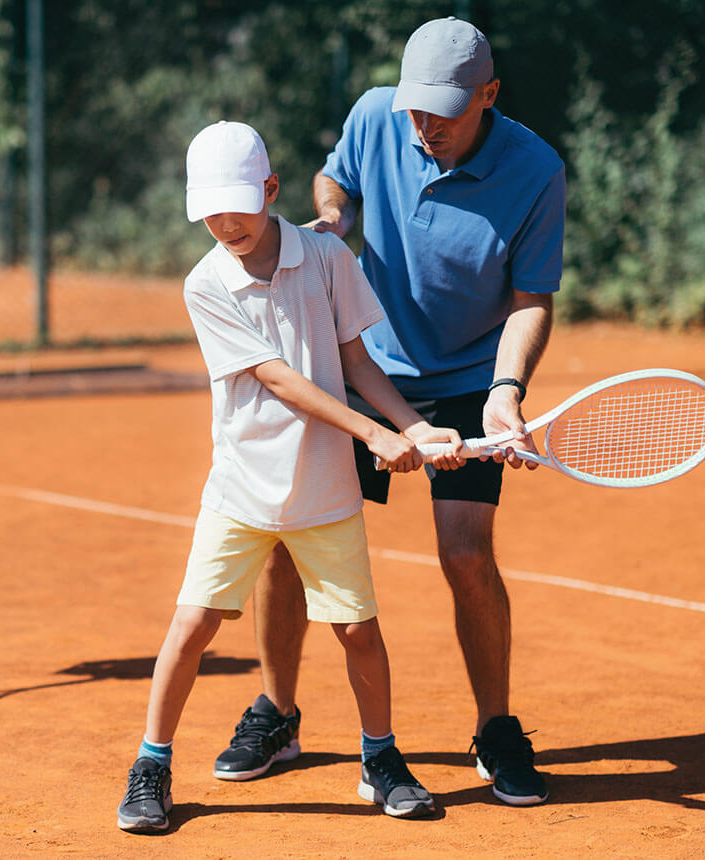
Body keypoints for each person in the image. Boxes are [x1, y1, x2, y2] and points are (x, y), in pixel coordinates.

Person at [213, 18, 565, 807]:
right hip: (362, 363)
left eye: (442, 109)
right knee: (286, 536)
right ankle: (278, 709)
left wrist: (507, 390)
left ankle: (496, 727)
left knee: (466, 554)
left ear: (490, 95)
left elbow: (531, 299)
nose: (422, 124)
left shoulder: (536, 169)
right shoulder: (378, 113)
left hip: (473, 374)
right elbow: (335, 181)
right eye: (414, 107)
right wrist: (334, 221)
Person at [116, 120, 464, 832]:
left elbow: (358, 363)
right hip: (241, 486)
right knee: (194, 624)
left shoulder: (328, 258)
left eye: (238, 205)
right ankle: (151, 765)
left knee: (359, 632)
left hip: (326, 488)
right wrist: (373, 433)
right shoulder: (205, 282)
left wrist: (416, 428)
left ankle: (381, 759)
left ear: (271, 189)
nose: (224, 223)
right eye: (209, 211)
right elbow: (279, 379)